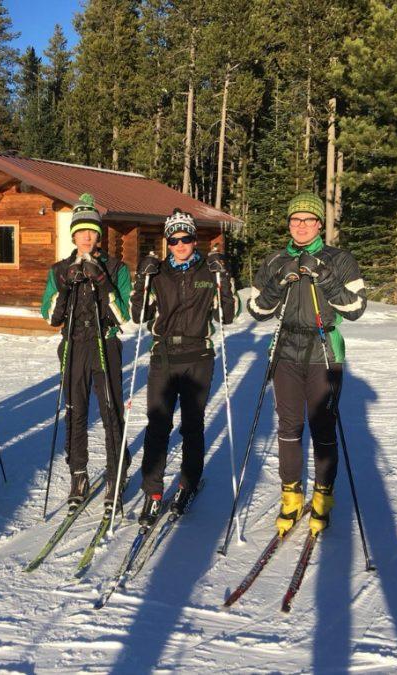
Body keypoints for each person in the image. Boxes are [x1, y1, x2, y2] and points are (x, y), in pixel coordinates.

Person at [247, 192, 366, 537]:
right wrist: (277, 282)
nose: (301, 226)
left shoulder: (340, 259)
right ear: (289, 224)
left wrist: (324, 277)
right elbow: (256, 310)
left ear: (319, 225)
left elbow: (356, 309)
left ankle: (323, 495)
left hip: (323, 349)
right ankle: (291, 495)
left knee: (323, 426)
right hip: (285, 350)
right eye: (295, 220)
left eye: (308, 220)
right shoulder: (275, 260)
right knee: (288, 426)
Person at [131, 210, 238, 526]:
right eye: (174, 239)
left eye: (186, 237)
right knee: (157, 425)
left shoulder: (209, 271)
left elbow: (227, 316)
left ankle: (187, 484)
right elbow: (138, 316)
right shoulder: (159, 272)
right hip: (163, 356)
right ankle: (152, 493)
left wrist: (225, 277)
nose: (180, 244)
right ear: (167, 242)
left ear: (194, 239)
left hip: (198, 357)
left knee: (192, 426)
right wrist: (142, 278)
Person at [40, 193, 131, 514]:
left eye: (92, 231)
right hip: (74, 345)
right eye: (81, 231)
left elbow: (124, 315)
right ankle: (78, 474)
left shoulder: (117, 268)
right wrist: (65, 286)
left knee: (110, 411)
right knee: (75, 410)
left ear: (99, 234)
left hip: (105, 344)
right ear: (74, 235)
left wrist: (103, 282)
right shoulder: (59, 269)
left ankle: (116, 474)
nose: (87, 237)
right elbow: (50, 317)